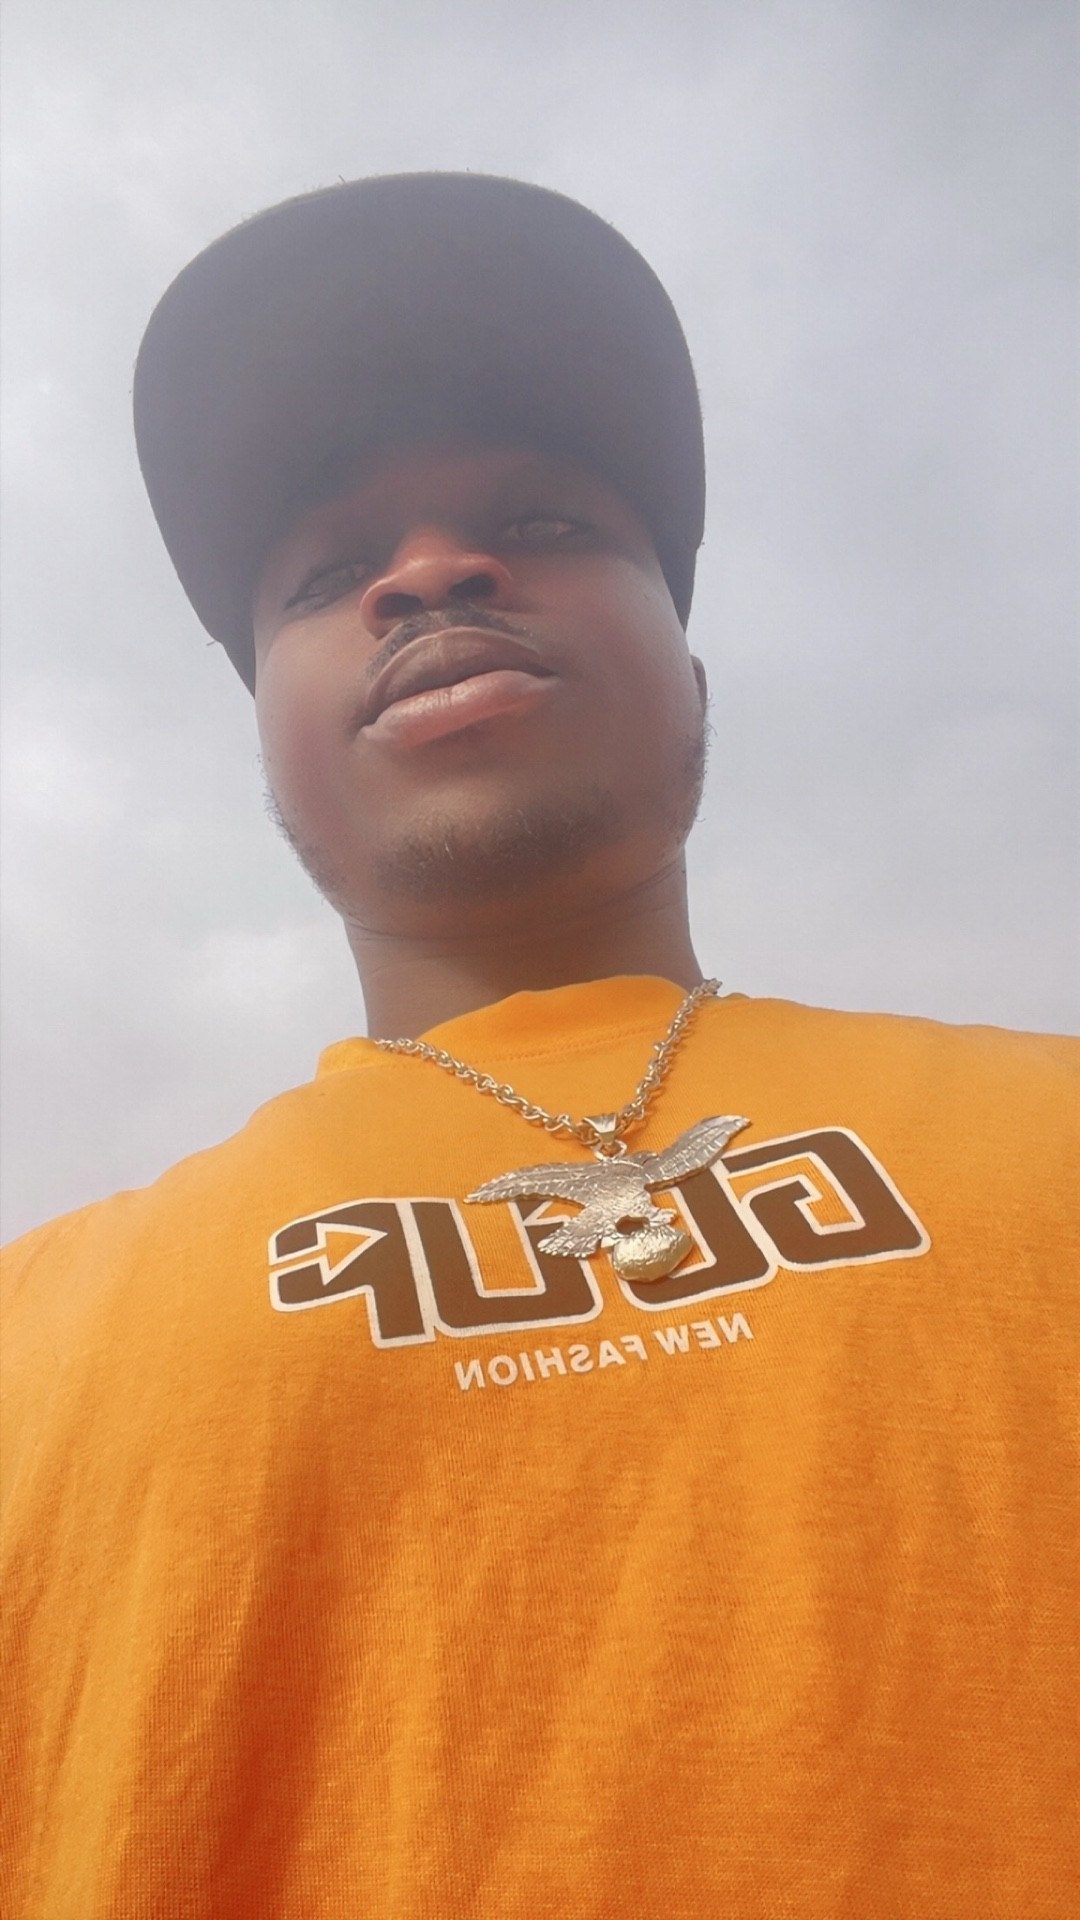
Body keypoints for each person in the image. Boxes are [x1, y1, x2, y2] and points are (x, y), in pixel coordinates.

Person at [1, 173, 1075, 1920]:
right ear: (269, 746)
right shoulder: (26, 1333)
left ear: (694, 677)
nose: (432, 571)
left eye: (547, 520)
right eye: (331, 572)